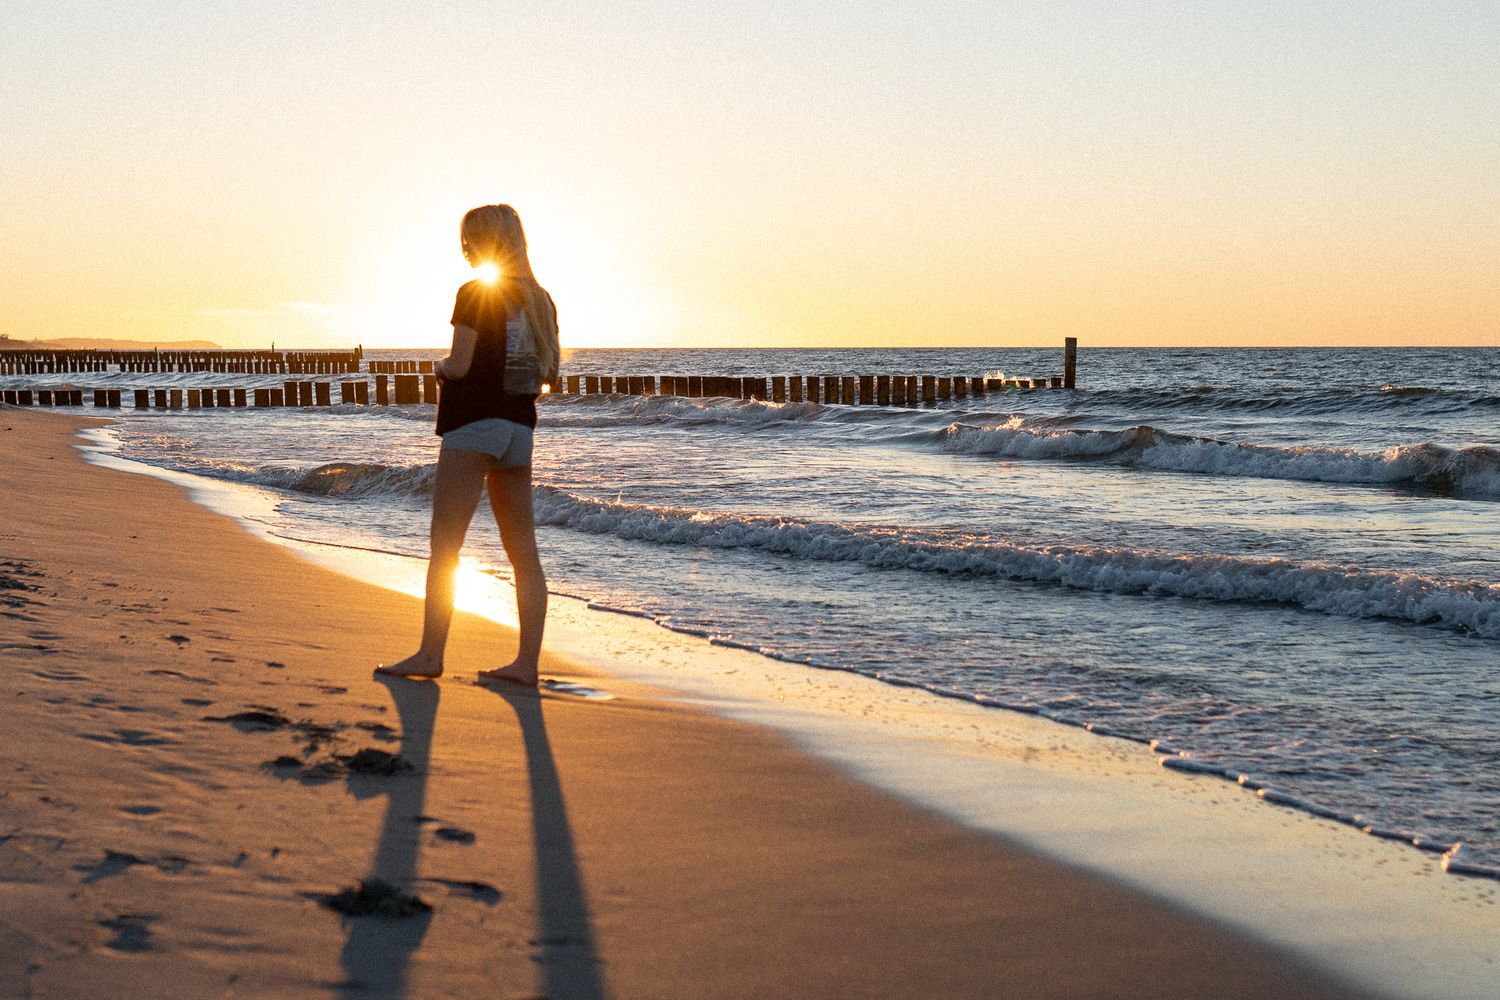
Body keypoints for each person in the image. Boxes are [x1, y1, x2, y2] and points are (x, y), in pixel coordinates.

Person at [376, 204, 559, 686]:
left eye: (468, 239)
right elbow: (545, 375)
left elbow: (459, 364)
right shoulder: (540, 300)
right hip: (519, 431)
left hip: (473, 425)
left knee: (446, 545)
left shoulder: (476, 292)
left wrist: (437, 367)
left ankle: (430, 654)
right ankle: (526, 665)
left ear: (479, 242)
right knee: (524, 551)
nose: (464, 247)